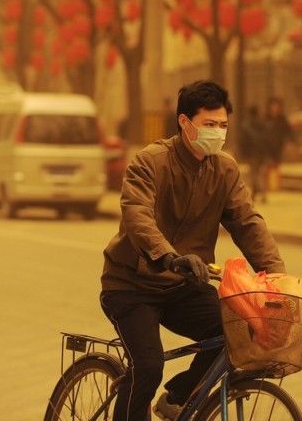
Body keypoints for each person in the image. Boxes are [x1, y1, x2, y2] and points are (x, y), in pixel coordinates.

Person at [100, 80, 286, 421]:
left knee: (236, 334)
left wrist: (276, 275)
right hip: (131, 285)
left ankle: (178, 396)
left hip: (183, 286)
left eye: (223, 125)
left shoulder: (225, 169)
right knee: (148, 365)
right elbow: (137, 215)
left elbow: (248, 223)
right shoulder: (150, 162)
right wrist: (170, 255)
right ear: (184, 122)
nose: (217, 133)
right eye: (209, 125)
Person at [262, 97, 293, 191]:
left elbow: (288, 131)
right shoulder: (266, 119)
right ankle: (267, 185)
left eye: (277, 106)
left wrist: (290, 142)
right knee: (267, 165)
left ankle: (275, 185)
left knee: (276, 165)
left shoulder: (282, 119)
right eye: (273, 106)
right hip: (266, 146)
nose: (275, 108)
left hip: (278, 146)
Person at [238, 105, 268, 202]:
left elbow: (243, 141)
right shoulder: (262, 123)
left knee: (254, 173)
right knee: (259, 173)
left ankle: (256, 193)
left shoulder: (247, 125)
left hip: (251, 153)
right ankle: (262, 194)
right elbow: (266, 138)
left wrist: (242, 153)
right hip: (261, 152)